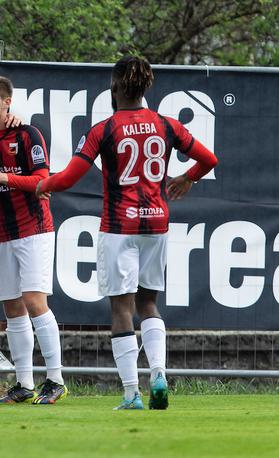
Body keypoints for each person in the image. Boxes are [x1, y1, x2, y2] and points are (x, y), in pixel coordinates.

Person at [36, 56, 218, 410]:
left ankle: (132, 392)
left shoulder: (103, 129)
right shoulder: (166, 124)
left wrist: (41, 184)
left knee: (121, 308)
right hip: (157, 223)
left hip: (119, 226)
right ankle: (160, 373)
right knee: (148, 303)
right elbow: (209, 158)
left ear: (116, 86)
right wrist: (187, 177)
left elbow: (71, 177)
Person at [0, 75, 67, 404]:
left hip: (35, 229)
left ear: (7, 103)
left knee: (34, 300)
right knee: (12, 307)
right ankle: (24, 383)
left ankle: (56, 379)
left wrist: (5, 178)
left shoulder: (27, 134)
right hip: (1, 232)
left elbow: (44, 181)